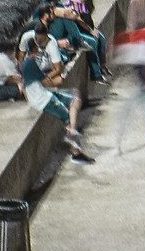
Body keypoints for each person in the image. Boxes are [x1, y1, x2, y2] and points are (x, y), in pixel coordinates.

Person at [19, 20, 93, 163]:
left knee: (75, 97)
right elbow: (46, 82)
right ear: (34, 48)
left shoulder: (30, 61)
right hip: (43, 99)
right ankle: (75, 151)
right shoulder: (30, 64)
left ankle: (73, 133)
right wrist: (56, 80)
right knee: (68, 119)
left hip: (45, 94)